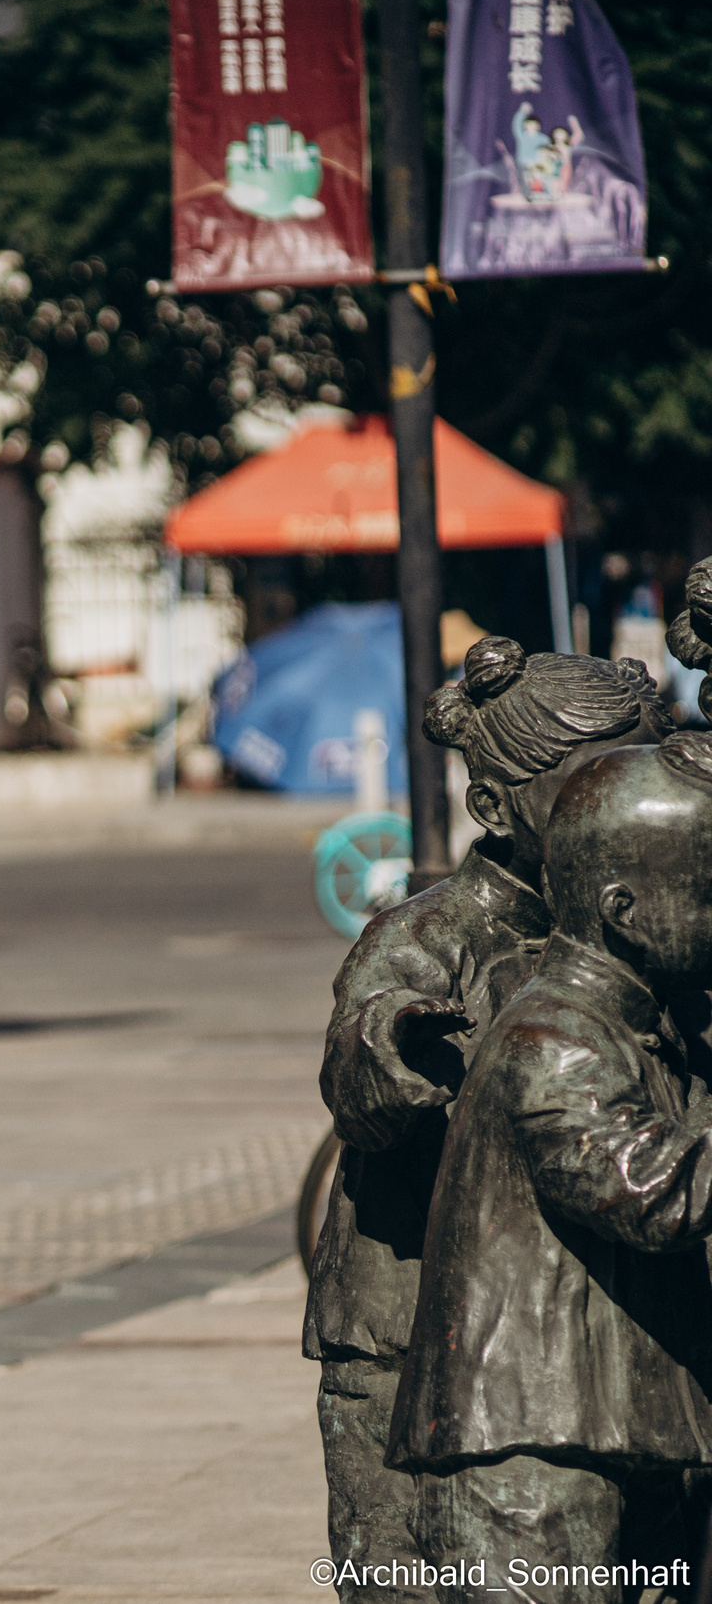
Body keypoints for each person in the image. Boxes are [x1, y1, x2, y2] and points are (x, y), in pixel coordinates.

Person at [302, 639, 665, 1602]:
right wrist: (394, 1048)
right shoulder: (429, 934)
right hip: (408, 1327)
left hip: (582, 1342)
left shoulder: (640, 924)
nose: (619, 807)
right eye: (589, 785)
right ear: (499, 810)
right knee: (405, 1576)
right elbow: (357, 1062)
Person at [386, 738, 712, 1601]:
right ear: (624, 907)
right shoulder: (554, 1037)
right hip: (528, 1446)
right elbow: (650, 1190)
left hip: (606, 1430)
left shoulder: (645, 1026)